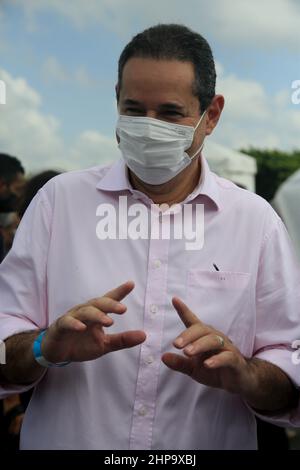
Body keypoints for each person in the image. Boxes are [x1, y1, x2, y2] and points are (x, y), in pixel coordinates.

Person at [0, 24, 299, 450]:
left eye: (171, 113)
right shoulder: (58, 204)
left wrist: (248, 375)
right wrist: (43, 346)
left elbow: (291, 365)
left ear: (210, 115)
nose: (148, 127)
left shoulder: (256, 223)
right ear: (116, 101)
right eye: (134, 109)